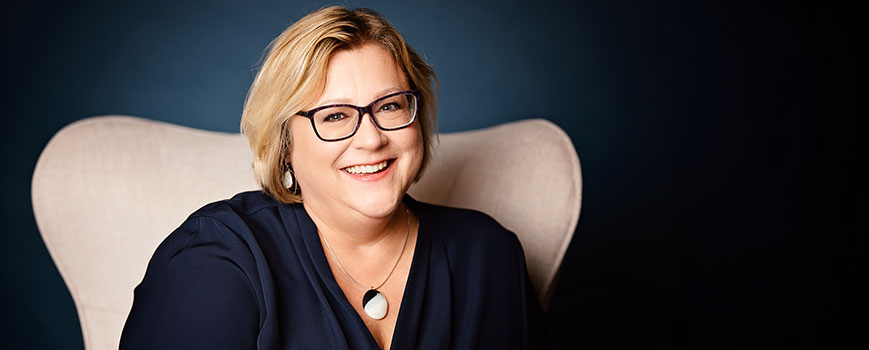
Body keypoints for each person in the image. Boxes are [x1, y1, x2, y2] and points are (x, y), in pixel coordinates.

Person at [120, 6, 551, 349]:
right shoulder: (216, 259)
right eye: (335, 116)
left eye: (390, 106)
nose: (371, 139)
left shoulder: (489, 255)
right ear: (285, 144)